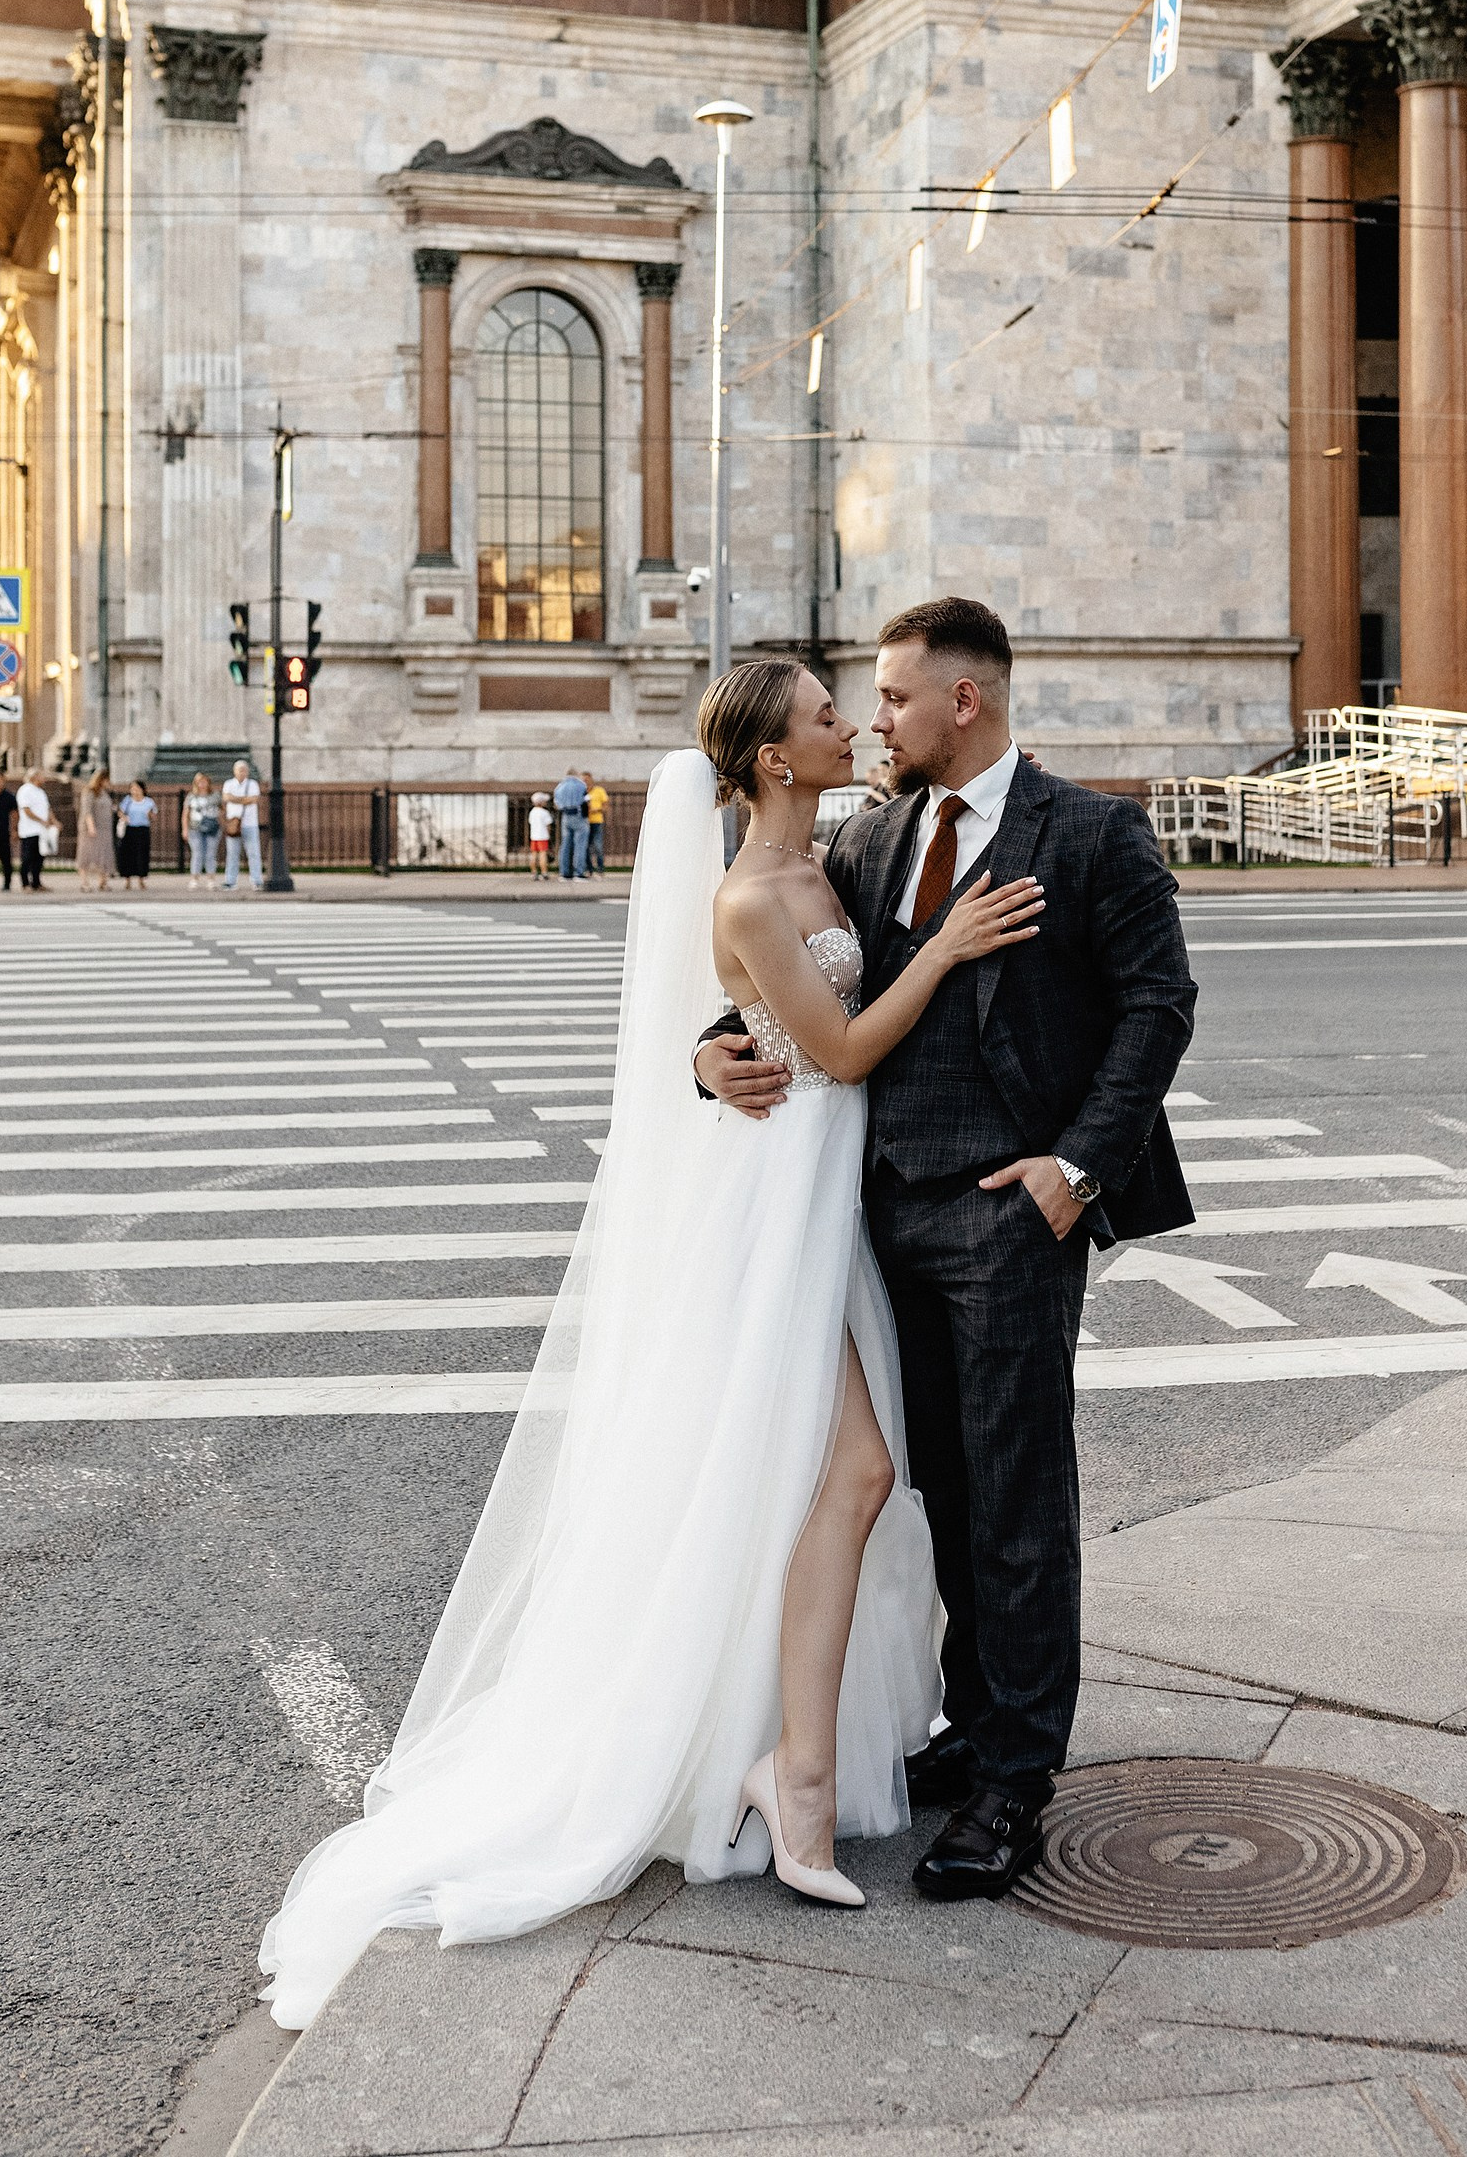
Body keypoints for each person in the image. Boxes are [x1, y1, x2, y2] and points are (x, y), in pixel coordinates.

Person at [258, 667, 1041, 2028]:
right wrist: (944, 950)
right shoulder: (745, 891)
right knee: (844, 1476)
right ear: (771, 761)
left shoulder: (835, 849)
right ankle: (788, 1776)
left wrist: (709, 1051)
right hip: (768, 1209)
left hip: (820, 1199)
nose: (847, 720)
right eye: (819, 713)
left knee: (833, 1479)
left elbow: (734, 1023)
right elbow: (839, 1047)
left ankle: (790, 1764)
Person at [696, 598, 1197, 1902]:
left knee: (1020, 1506)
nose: (875, 719)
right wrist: (712, 1056)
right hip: (873, 1217)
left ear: (961, 703)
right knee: (947, 1497)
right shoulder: (867, 839)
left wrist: (1074, 1171)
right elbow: (801, 990)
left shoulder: (1089, 836)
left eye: (895, 698)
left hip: (1010, 1217)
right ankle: (973, 1727)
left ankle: (1014, 1787)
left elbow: (1158, 1007)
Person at [223, 759, 262, 890]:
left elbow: (254, 799)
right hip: (234, 823)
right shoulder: (229, 784)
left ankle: (256, 880)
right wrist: (244, 800)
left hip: (250, 823)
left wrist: (236, 799)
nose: (242, 772)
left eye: (244, 770)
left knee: (253, 853)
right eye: (240, 770)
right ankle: (230, 881)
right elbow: (226, 797)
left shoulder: (252, 784)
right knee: (232, 854)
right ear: (234, 771)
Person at [76, 772, 115, 893]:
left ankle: (103, 881)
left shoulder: (104, 793)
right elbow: (87, 810)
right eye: (107, 780)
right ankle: (85, 882)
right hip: (91, 828)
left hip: (105, 828)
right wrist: (91, 827)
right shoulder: (89, 792)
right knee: (86, 854)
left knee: (104, 854)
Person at [15, 770, 53, 892]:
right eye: (42, 775)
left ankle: (36, 882)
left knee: (39, 857)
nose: (44, 778)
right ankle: (25, 883)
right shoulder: (25, 790)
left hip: (41, 830)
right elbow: (26, 809)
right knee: (27, 857)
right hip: (29, 830)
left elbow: (47, 808)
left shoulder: (41, 792)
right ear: (35, 777)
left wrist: (53, 821)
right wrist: (40, 820)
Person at [116, 778, 156, 890]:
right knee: (128, 855)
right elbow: (120, 812)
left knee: (142, 854)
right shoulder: (127, 800)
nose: (135, 791)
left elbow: (153, 815)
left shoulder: (148, 801)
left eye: (137, 788)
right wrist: (124, 817)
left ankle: (141, 879)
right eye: (132, 788)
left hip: (143, 829)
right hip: (130, 829)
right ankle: (127, 879)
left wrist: (150, 815)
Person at [184, 773, 222, 884]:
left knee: (210, 853)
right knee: (197, 853)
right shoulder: (191, 796)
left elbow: (222, 809)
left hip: (212, 828)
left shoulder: (215, 795)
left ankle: (211, 878)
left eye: (204, 781)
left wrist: (221, 822)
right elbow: (186, 814)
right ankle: (194, 877)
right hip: (195, 827)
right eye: (199, 782)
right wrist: (185, 829)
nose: (202, 784)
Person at [553, 765, 589, 882]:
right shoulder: (581, 785)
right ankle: (578, 873)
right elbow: (585, 799)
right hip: (578, 814)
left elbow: (557, 804)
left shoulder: (559, 787)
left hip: (565, 815)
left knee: (565, 845)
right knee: (580, 845)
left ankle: (564, 873)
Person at [525, 788, 553, 879]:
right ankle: (544, 872)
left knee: (534, 854)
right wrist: (549, 834)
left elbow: (530, 823)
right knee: (543, 854)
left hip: (534, 836)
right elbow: (548, 825)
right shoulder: (545, 812)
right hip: (543, 836)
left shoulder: (532, 812)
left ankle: (534, 872)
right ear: (542, 802)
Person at [584, 773, 608, 876]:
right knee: (586, 846)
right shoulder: (582, 791)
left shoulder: (599, 791)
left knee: (598, 845)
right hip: (585, 822)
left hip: (597, 821)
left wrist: (597, 809)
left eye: (587, 779)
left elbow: (606, 806)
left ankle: (600, 868)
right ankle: (589, 868)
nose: (586, 782)